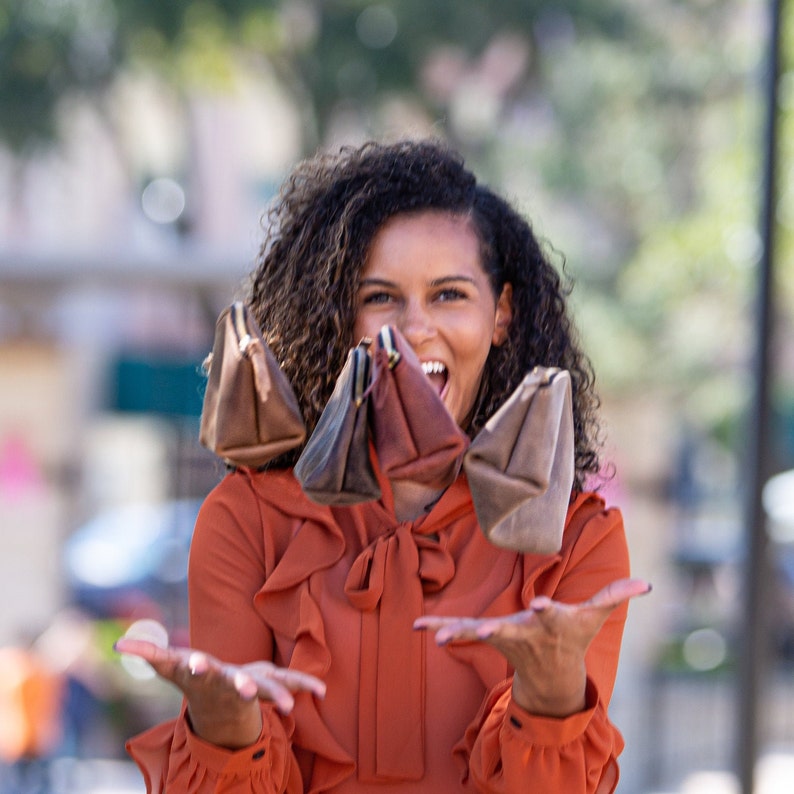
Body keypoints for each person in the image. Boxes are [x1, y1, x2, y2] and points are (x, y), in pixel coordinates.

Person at [115, 139, 650, 793]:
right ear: (340, 319)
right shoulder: (246, 521)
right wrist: (227, 727)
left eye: (449, 295)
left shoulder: (577, 539)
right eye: (381, 298)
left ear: (501, 313)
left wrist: (551, 694)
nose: (413, 328)